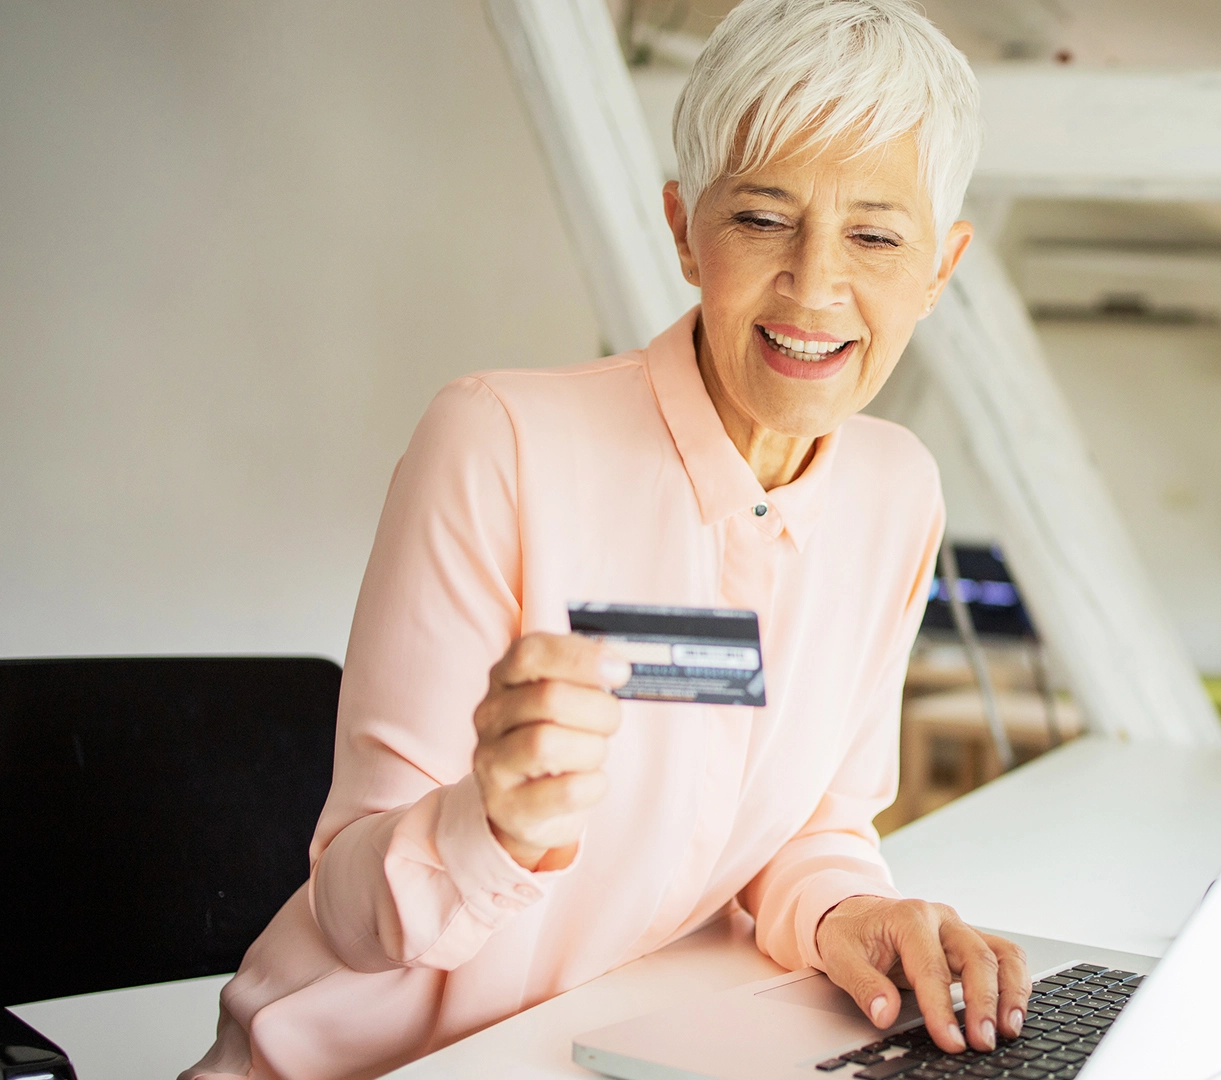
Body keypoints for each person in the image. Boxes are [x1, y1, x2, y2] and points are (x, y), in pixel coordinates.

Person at [180, 2, 1026, 1076]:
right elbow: (353, 902)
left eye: (874, 234)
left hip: (627, 1048)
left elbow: (813, 826)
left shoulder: (897, 492)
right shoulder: (499, 442)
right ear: (684, 231)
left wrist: (849, 912)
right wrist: (494, 825)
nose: (815, 287)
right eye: (763, 219)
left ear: (940, 267)